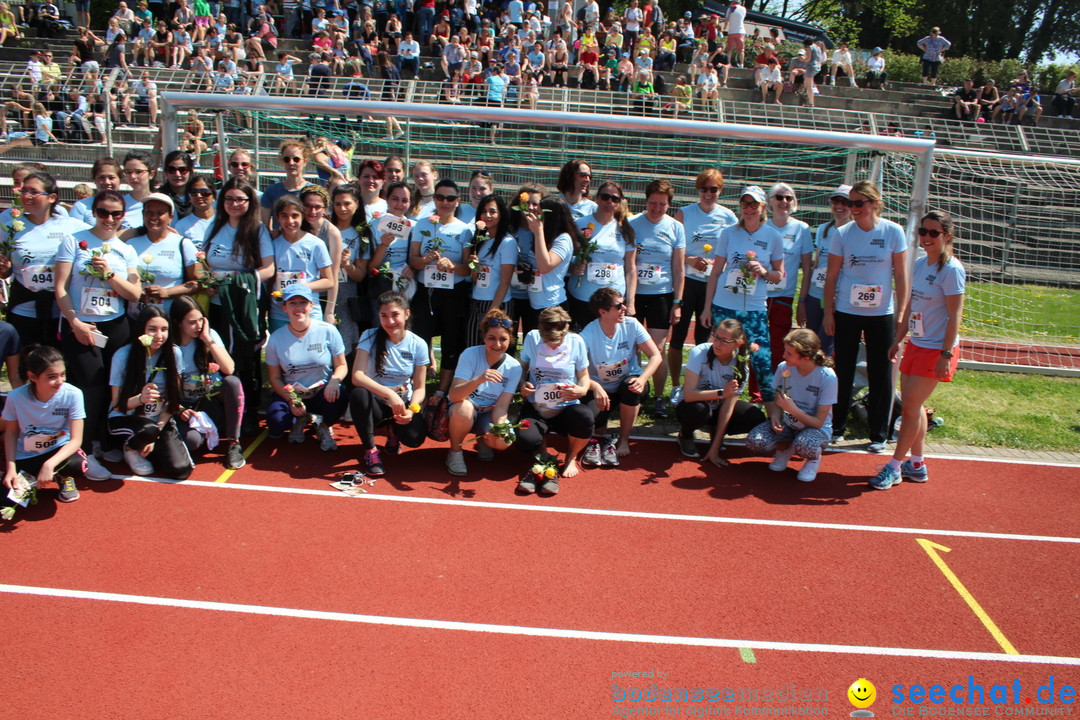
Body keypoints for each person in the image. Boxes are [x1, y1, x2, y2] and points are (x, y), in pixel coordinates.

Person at [869, 211, 964, 490]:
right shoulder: (922, 265)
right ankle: (917, 464)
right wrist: (898, 339)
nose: (926, 238)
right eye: (923, 232)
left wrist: (946, 355)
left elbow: (954, 316)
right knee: (915, 406)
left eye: (934, 233)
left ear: (946, 236)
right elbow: (911, 305)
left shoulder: (952, 270)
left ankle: (894, 467)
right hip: (917, 344)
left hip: (936, 349)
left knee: (909, 408)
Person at [55, 190, 142, 459]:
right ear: (94, 212)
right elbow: (60, 287)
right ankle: (84, 449)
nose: (109, 218)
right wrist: (75, 323)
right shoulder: (73, 242)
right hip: (81, 325)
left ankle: (106, 442)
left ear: (123, 216)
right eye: (103, 212)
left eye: (116, 214)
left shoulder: (127, 250)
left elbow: (134, 293)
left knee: (112, 385)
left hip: (115, 326)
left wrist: (110, 274)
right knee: (90, 388)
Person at [823, 180, 908, 453]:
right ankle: (836, 427)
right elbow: (832, 276)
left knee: (881, 373)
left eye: (859, 203)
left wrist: (902, 312)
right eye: (850, 203)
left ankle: (878, 433)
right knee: (843, 370)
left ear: (875, 204)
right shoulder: (842, 233)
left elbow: (902, 276)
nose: (853, 208)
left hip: (881, 313)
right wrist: (829, 311)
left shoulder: (894, 232)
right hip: (847, 311)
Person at [702, 185, 784, 416]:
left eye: (753, 204)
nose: (749, 209)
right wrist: (707, 307)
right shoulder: (729, 233)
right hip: (724, 306)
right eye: (745, 204)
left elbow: (780, 275)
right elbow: (716, 271)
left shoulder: (773, 236)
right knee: (723, 359)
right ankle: (715, 410)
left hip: (755, 309)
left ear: (763, 207)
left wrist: (764, 271)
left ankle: (774, 417)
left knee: (761, 361)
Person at [201, 179, 275, 435]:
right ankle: (223, 411)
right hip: (217, 304)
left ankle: (249, 412)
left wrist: (235, 280)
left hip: (245, 307)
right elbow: (205, 263)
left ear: (249, 202)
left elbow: (268, 269)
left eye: (240, 200)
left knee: (246, 358)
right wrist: (208, 280)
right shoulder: (215, 226)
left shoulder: (258, 229)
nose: (234, 204)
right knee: (218, 358)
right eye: (229, 199)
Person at [3, 346, 110, 509]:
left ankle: (63, 476)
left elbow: (76, 440)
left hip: (59, 452)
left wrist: (50, 464)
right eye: (52, 377)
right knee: (6, 502)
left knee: (78, 465)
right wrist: (11, 469)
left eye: (62, 374)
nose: (60, 381)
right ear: (32, 376)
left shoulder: (73, 394)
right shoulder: (16, 397)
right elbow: (11, 433)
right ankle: (30, 478)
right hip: (27, 455)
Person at [0, 171, 90, 347]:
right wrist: (5, 270)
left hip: (62, 312)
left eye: (34, 192)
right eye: (24, 191)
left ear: (52, 197)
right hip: (23, 310)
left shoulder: (71, 227)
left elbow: (103, 238)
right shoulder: (10, 226)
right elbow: (7, 269)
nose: (26, 196)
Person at [349, 291, 429, 477]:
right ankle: (371, 451)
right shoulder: (369, 336)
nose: (390, 321)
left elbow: (420, 387)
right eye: (384, 316)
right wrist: (389, 394)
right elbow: (357, 376)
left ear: (406, 314)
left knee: (415, 439)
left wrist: (412, 410)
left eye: (395, 315)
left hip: (401, 406)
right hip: (377, 404)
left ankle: (393, 432)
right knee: (358, 394)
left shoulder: (418, 344)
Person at [513, 305, 592, 493]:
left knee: (585, 417)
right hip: (537, 406)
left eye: (557, 342)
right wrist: (522, 384)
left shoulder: (577, 341)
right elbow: (521, 368)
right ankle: (545, 461)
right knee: (525, 440)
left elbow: (584, 376)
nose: (553, 346)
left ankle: (570, 458)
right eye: (548, 341)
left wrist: (582, 390)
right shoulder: (532, 337)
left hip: (566, 408)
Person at [107, 306, 193, 479]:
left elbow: (172, 399)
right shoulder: (123, 355)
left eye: (164, 329)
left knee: (181, 470)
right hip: (127, 416)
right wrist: (140, 398)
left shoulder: (174, 353)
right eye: (152, 330)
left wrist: (157, 430)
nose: (159, 336)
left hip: (157, 418)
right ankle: (130, 448)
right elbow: (117, 405)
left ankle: (150, 444)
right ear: (141, 331)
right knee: (147, 430)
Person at [671, 169, 737, 390]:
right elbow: (673, 249)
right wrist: (689, 259)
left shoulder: (728, 217)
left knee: (704, 336)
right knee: (678, 336)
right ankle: (676, 385)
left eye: (713, 189)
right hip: (687, 281)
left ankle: (699, 383)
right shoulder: (684, 213)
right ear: (698, 189)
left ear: (720, 190)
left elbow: (734, 249)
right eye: (704, 189)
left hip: (712, 284)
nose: (708, 193)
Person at [407, 178, 473, 395]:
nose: (445, 202)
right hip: (426, 292)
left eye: (450, 198)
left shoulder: (464, 230)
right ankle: (419, 388)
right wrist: (425, 260)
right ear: (434, 199)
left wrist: (452, 265)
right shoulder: (422, 225)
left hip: (453, 294)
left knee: (451, 341)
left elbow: (467, 269)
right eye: (440, 197)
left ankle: (441, 391)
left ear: (458, 201)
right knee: (420, 338)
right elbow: (413, 261)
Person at [746, 328, 837, 482]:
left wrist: (793, 410)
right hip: (789, 424)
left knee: (805, 444)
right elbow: (777, 397)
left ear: (806, 358)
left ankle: (813, 459)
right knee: (755, 441)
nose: (783, 356)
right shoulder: (784, 367)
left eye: (789, 353)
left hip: (815, 429)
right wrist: (775, 416)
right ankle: (785, 448)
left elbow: (819, 422)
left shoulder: (827, 377)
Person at [580, 287, 660, 462]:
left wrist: (643, 378)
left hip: (628, 380)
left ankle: (624, 439)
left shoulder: (632, 324)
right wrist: (595, 387)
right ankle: (602, 426)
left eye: (624, 303)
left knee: (630, 388)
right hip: (601, 389)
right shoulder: (587, 334)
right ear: (603, 311)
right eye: (619, 306)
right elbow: (578, 369)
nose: (625, 308)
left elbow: (656, 356)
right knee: (593, 423)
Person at [264, 284, 347, 449]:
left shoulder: (328, 330)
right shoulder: (275, 339)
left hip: (322, 391)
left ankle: (323, 426)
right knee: (276, 421)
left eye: (303, 302)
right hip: (294, 393)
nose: (298, 307)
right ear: (284, 308)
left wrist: (334, 381)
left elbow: (342, 365)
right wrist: (291, 399)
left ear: (311, 305)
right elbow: (274, 378)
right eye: (292, 303)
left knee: (341, 394)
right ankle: (300, 420)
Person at [629, 179, 685, 418]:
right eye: (653, 203)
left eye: (662, 204)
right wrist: (628, 299)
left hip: (662, 295)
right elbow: (628, 263)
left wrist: (678, 303)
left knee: (657, 350)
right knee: (632, 347)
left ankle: (660, 397)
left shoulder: (675, 227)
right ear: (646, 201)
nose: (656, 208)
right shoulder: (632, 224)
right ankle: (634, 390)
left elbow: (679, 268)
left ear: (668, 205)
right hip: (634, 294)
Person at [675, 317, 766, 466]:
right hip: (692, 405)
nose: (717, 343)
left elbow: (727, 409)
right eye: (716, 337)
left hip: (718, 408)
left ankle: (715, 432)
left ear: (737, 343)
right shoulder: (700, 352)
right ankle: (684, 435)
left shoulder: (741, 366)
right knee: (700, 410)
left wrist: (715, 448)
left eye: (724, 340)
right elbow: (689, 395)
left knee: (756, 418)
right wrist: (721, 393)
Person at [169, 296, 245, 469]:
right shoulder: (170, 346)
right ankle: (211, 429)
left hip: (208, 400)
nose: (198, 326)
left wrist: (207, 339)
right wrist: (179, 409)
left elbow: (229, 368)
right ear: (178, 322)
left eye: (200, 321)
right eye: (191, 322)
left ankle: (234, 443)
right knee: (193, 442)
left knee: (232, 383)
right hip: (183, 407)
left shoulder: (209, 335)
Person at [445, 309, 522, 475]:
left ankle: (483, 440)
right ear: (484, 338)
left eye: (503, 339)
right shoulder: (470, 354)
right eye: (491, 338)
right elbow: (454, 395)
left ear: (511, 340)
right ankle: (455, 452)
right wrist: (478, 379)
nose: (497, 344)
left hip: (488, 412)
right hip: (465, 408)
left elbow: (501, 407)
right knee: (464, 409)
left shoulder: (514, 367)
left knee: (504, 441)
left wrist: (497, 429)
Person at [565, 180, 636, 332]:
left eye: (615, 198)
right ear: (597, 198)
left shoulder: (625, 228)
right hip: (582, 296)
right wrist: (572, 267)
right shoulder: (579, 224)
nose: (609, 202)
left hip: (613, 300)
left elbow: (631, 268)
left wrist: (630, 302)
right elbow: (564, 257)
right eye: (605, 197)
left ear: (619, 202)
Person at [121, 192, 198, 317]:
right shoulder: (130, 244)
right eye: (149, 212)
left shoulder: (183, 244)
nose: (153, 217)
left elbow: (197, 283)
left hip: (171, 318)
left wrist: (167, 292)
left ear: (171, 217)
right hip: (135, 318)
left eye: (160, 213)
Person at [764, 183, 812, 374]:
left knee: (779, 345)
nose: (784, 202)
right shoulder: (761, 226)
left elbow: (807, 268)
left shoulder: (802, 229)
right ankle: (754, 391)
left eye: (788, 198)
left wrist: (802, 301)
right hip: (758, 296)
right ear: (769, 202)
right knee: (755, 345)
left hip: (784, 297)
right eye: (779, 197)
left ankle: (776, 386)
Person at [269, 195, 334, 333]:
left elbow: (329, 281)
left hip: (310, 313)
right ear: (278, 218)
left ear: (302, 216)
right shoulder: (272, 244)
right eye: (284, 216)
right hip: (280, 314)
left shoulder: (316, 244)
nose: (290, 221)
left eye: (295, 216)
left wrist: (300, 288)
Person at [801, 185, 851, 357]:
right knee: (810, 343)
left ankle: (826, 382)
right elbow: (816, 264)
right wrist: (804, 298)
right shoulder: (823, 229)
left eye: (845, 202)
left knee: (826, 346)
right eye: (836, 201)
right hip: (816, 295)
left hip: (838, 297)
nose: (840, 206)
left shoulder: (854, 232)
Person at [464, 193, 517, 343]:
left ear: (501, 214)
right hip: (477, 301)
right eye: (484, 211)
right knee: (473, 347)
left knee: (494, 349)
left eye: (492, 211)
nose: (487, 215)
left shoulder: (507, 242)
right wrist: (474, 267)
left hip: (497, 304)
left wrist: (492, 313)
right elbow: (475, 279)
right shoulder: (481, 240)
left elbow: (505, 281)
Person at [260, 140, 313, 226]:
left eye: (296, 159)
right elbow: (264, 224)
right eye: (286, 159)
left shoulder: (313, 191)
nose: (291, 163)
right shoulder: (271, 191)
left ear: (305, 161)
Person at [723, 0, 745, 68]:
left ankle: (728, 63)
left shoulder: (730, 8)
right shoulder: (743, 9)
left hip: (731, 31)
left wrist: (725, 27)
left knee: (730, 49)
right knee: (741, 49)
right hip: (740, 30)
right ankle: (741, 64)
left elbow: (727, 19)